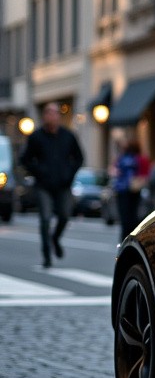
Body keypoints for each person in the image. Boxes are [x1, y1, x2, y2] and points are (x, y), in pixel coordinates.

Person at [19, 102, 84, 268]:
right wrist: (39, 171)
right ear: (44, 116)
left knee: (64, 216)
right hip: (43, 185)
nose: (51, 116)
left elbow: (79, 158)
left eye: (54, 113)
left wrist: (69, 174)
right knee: (45, 219)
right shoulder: (36, 137)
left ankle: (55, 238)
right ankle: (47, 255)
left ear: (58, 117)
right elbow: (25, 159)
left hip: (63, 184)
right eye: (48, 113)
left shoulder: (68, 136)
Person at [110, 137, 148, 240]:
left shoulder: (122, 159)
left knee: (125, 219)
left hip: (123, 191)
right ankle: (130, 239)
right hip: (133, 190)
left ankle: (124, 241)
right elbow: (145, 175)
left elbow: (113, 171)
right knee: (132, 217)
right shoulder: (139, 159)